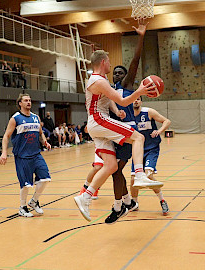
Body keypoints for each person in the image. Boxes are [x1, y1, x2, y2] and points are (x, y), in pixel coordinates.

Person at [73, 48, 162, 222]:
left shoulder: (102, 80)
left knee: (111, 166)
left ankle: (85, 196)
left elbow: (110, 101)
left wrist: (117, 111)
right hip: (99, 120)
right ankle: (139, 174)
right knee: (139, 137)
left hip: (98, 123)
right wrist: (140, 92)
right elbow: (122, 100)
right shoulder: (97, 80)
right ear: (103, 62)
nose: (111, 64)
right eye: (109, 61)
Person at [79, 20, 150, 223]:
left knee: (114, 168)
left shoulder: (125, 84)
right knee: (113, 169)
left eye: (120, 71)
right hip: (107, 129)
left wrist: (141, 37)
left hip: (118, 130)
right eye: (113, 69)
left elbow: (135, 60)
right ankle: (125, 201)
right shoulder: (104, 84)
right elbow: (109, 99)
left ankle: (116, 203)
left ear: (126, 75)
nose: (116, 73)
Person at [0, 93, 52, 217]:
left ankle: (34, 201)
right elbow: (6, 136)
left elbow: (40, 133)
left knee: (45, 178)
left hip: (36, 154)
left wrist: (45, 141)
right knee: (26, 185)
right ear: (20, 103)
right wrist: (4, 152)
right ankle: (22, 207)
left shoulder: (35, 117)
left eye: (30, 100)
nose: (29, 102)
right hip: (22, 156)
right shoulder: (15, 118)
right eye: (26, 100)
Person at [130, 96, 171, 215]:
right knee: (133, 179)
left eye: (138, 99)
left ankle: (162, 200)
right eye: (134, 99)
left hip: (151, 148)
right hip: (137, 150)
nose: (136, 101)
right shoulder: (129, 116)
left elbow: (167, 121)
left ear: (141, 101)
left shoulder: (148, 112)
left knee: (148, 174)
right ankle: (134, 203)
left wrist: (159, 131)